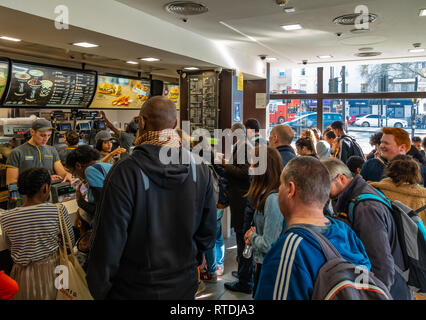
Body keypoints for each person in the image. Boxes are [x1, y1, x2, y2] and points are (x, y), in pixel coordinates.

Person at [86, 96, 217, 300]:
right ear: (174, 124)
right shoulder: (199, 168)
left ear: (142, 122)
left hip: (133, 289)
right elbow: (207, 231)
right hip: (183, 284)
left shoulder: (124, 171)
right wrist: (191, 262)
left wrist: (100, 289)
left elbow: (109, 239)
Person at [254, 157, 371, 300]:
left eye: (281, 186)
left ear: (291, 189)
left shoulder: (288, 249)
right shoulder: (346, 232)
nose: (279, 191)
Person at [321, 158, 413, 300]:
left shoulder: (366, 208)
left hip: (389, 290)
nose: (322, 191)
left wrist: (375, 295)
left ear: (341, 178)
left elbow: (381, 263)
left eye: (325, 185)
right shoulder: (359, 194)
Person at [0, 168, 75, 300]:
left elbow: (10, 245)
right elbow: (69, 244)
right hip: (54, 269)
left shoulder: (6, 217)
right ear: (45, 188)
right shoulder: (57, 209)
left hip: (21, 274)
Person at [244, 146, 285, 297]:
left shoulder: (272, 200)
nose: (250, 168)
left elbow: (269, 244)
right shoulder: (267, 195)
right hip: (265, 264)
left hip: (270, 266)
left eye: (254, 164)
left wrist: (252, 237)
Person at [223, 123, 254, 294]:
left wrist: (224, 164)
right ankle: (243, 272)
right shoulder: (242, 146)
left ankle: (245, 280)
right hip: (239, 199)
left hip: (241, 199)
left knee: (243, 239)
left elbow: (244, 173)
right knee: (240, 238)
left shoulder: (244, 147)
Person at [5, 118, 73, 186]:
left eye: (49, 135)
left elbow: (61, 171)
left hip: (48, 194)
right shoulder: (17, 152)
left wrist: (67, 174)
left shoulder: (52, 150)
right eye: (42, 135)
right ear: (32, 132)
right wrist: (43, 181)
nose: (46, 139)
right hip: (27, 195)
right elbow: (11, 182)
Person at [361, 127, 426, 186]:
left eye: (386, 143)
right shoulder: (370, 165)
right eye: (381, 142)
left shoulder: (419, 169)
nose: (381, 146)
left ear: (402, 147)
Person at [65, 145, 113, 222]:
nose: (77, 176)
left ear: (78, 165)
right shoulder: (105, 166)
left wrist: (80, 201)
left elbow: (101, 211)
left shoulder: (90, 170)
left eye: (74, 173)